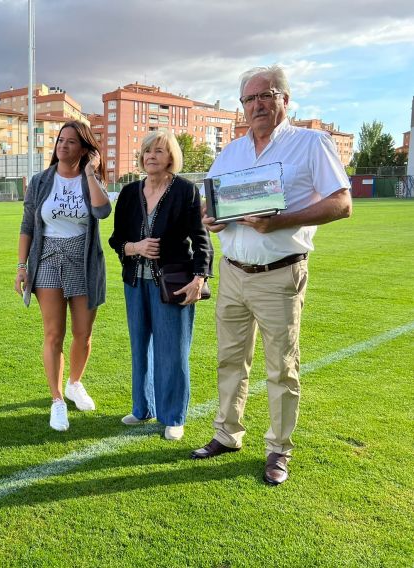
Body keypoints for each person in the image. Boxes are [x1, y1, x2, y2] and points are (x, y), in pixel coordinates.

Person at [190, 65, 351, 485]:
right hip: (234, 272)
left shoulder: (311, 143)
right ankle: (227, 434)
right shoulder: (231, 153)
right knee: (230, 360)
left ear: (285, 99)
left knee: (281, 367)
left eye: (267, 95)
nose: (258, 104)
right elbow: (213, 206)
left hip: (280, 274)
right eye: (250, 98)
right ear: (242, 106)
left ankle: (279, 449)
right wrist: (213, 219)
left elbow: (342, 203)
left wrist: (283, 221)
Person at [108, 131, 212, 441]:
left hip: (173, 284)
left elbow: (201, 238)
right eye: (147, 151)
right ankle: (142, 408)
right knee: (139, 347)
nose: (151, 156)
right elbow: (116, 240)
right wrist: (135, 248)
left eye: (159, 151)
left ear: (171, 158)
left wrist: (200, 277)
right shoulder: (128, 193)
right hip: (134, 282)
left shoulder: (185, 191)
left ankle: (173, 416)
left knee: (173, 352)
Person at [15, 120, 111, 431]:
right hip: (46, 259)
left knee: (83, 333)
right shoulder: (41, 181)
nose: (63, 145)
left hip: (83, 259)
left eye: (71, 141)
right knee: (53, 334)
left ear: (84, 148)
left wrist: (90, 174)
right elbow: (28, 225)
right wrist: (21, 266)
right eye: (60, 140)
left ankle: (74, 383)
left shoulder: (89, 180)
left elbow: (102, 212)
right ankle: (57, 400)